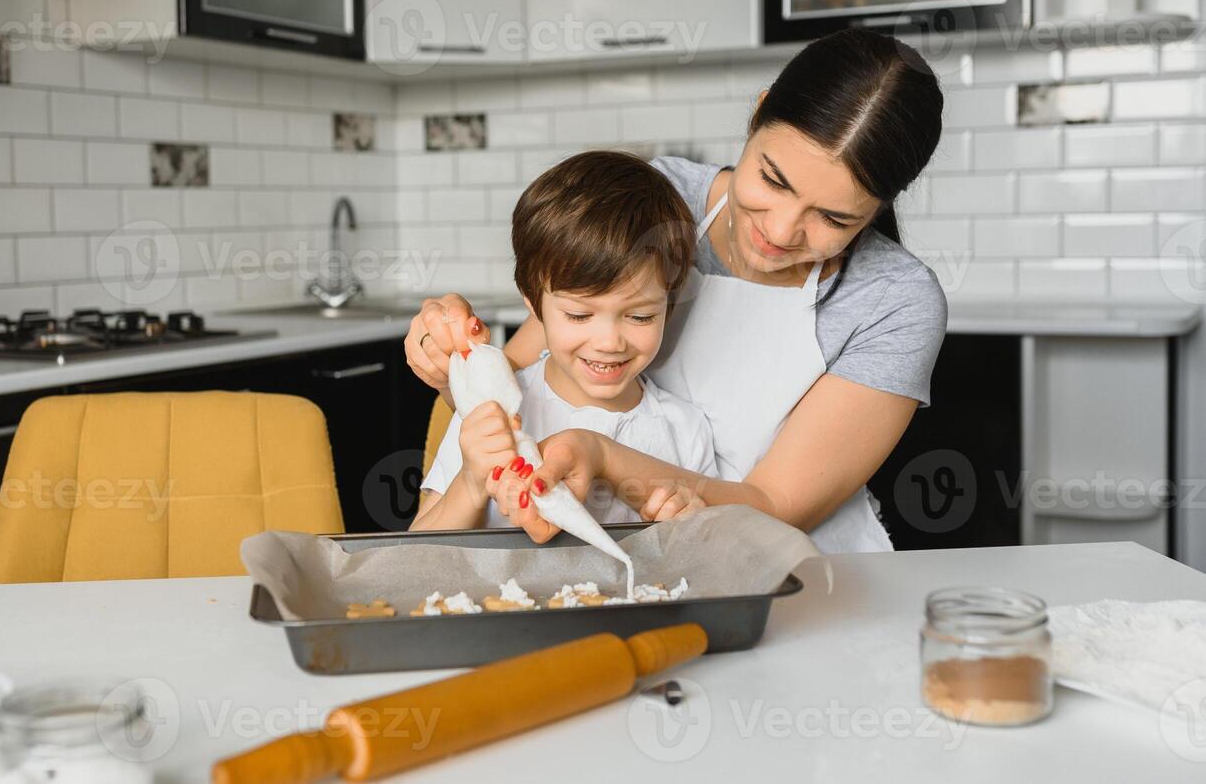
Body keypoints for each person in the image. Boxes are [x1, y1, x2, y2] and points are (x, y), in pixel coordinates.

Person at [405, 28, 947, 553]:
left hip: (809, 570)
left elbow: (775, 507)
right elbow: (524, 384)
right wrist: (453, 358)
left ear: (878, 208)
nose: (780, 232)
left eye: (833, 217)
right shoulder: (659, 204)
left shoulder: (895, 302)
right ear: (758, 113)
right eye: (773, 180)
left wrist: (606, 459)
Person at [412, 150, 718, 531]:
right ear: (534, 304)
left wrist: (689, 528)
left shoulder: (684, 431)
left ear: (669, 306)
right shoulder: (491, 413)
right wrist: (472, 480)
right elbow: (418, 549)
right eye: (578, 315)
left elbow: (707, 558)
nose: (609, 342)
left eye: (641, 316)